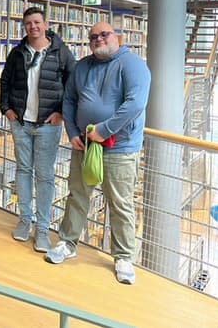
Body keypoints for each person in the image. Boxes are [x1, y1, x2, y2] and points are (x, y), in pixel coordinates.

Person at [45, 21, 151, 285]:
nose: (98, 39)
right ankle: (67, 243)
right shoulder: (82, 67)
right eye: (93, 36)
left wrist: (104, 129)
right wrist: (71, 132)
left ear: (117, 36)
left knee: (120, 202)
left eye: (104, 34)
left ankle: (124, 257)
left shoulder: (133, 65)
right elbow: (69, 100)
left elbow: (135, 103)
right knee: (77, 195)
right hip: (85, 144)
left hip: (120, 148)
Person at [0, 7, 75, 252]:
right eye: (28, 23)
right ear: (24, 27)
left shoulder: (60, 52)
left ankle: (42, 228)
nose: (33, 27)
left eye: (37, 22)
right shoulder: (17, 53)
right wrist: (6, 109)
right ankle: (24, 220)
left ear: (45, 24)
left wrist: (63, 113)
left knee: (44, 175)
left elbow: (72, 85)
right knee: (22, 170)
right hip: (20, 123)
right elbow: (5, 81)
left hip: (47, 125)